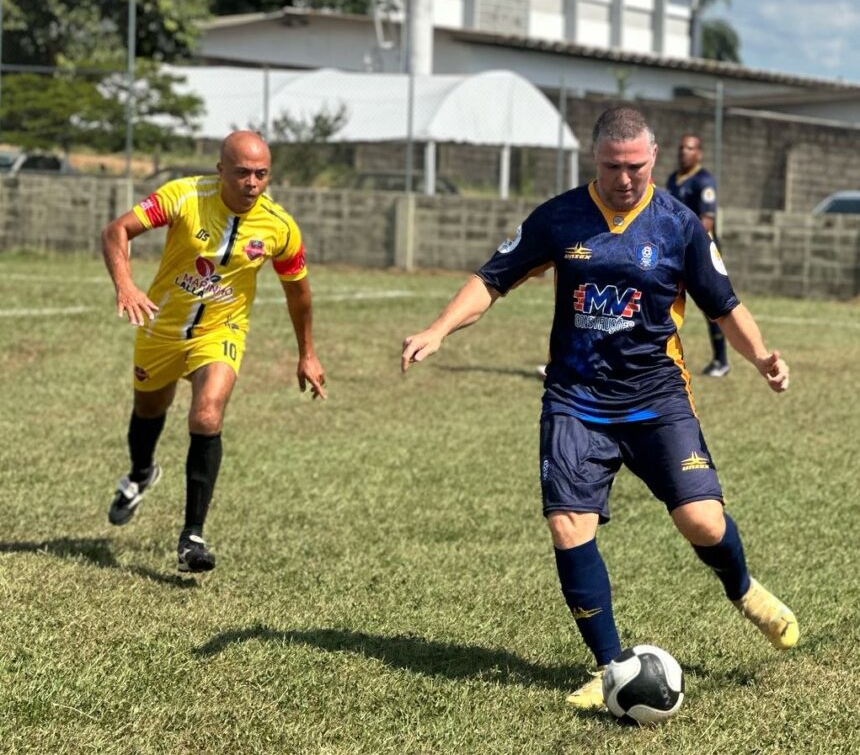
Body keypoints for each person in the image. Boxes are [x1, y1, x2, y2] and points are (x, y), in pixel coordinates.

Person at [401, 107, 797, 709]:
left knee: (703, 522)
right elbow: (492, 279)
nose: (625, 178)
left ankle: (744, 591)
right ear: (596, 160)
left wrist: (763, 356)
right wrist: (438, 330)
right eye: (613, 166)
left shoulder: (679, 225)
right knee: (568, 525)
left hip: (657, 395)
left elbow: (723, 304)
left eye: (636, 166)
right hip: (576, 399)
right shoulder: (560, 218)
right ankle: (612, 667)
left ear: (654, 158)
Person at [101, 131, 326, 573]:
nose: (252, 182)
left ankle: (192, 538)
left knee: (206, 415)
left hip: (222, 330)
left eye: (261, 174)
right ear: (221, 169)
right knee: (149, 409)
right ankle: (141, 473)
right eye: (242, 172)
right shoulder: (184, 195)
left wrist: (308, 353)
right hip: (161, 326)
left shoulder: (279, 227)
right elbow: (117, 231)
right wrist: (126, 285)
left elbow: (298, 293)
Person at [666, 134, 730, 376]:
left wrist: (685, 244)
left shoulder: (704, 180)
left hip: (701, 252)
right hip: (675, 251)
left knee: (711, 308)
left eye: (690, 148)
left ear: (699, 153)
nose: (684, 152)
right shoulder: (674, 179)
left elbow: (706, 222)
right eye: (681, 148)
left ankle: (721, 361)